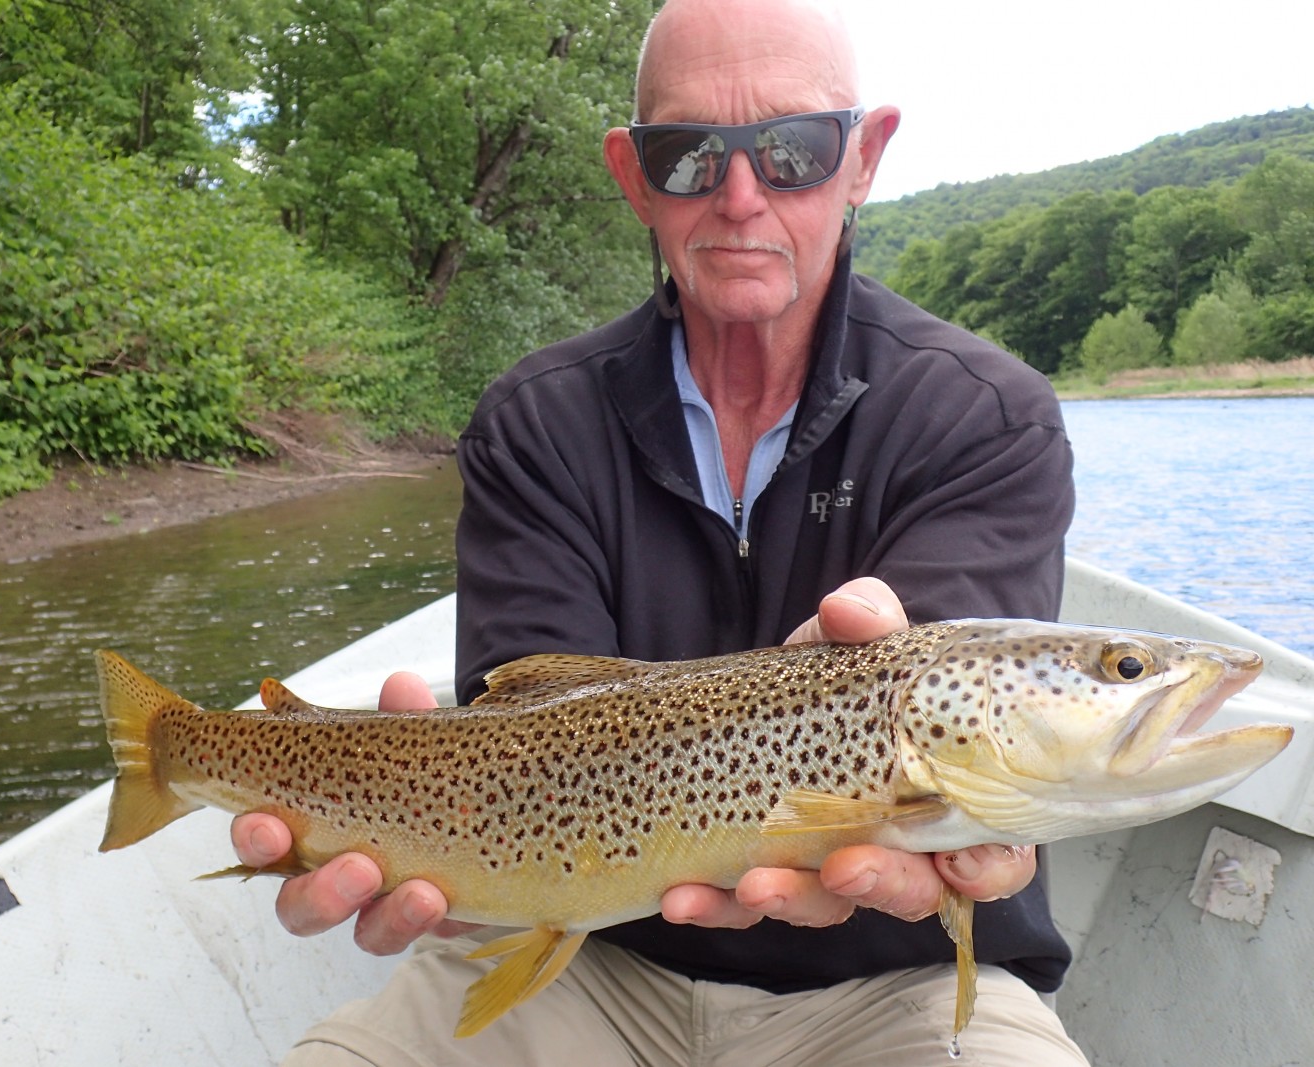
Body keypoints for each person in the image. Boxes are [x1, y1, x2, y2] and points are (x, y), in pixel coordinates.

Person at [234, 0, 1088, 1062]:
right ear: (633, 175)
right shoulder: (535, 421)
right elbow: (532, 723)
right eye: (688, 154)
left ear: (863, 158)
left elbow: (966, 725)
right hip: (579, 953)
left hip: (898, 979)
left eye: (792, 149)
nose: (738, 196)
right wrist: (423, 820)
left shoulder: (981, 415)